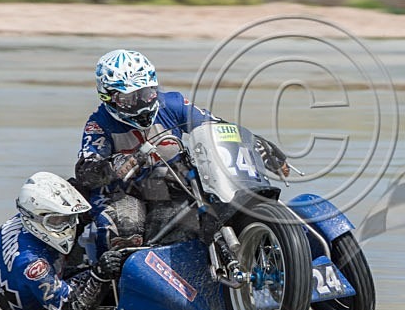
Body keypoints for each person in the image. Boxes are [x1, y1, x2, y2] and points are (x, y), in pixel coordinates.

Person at [74, 49, 289, 257]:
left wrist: (259, 145)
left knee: (209, 208)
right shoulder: (98, 124)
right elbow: (86, 171)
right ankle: (111, 281)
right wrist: (116, 166)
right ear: (108, 97)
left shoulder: (173, 103)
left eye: (147, 94)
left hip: (174, 183)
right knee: (126, 225)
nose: (140, 105)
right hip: (126, 192)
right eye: (129, 99)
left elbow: (216, 126)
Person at [0, 172, 128, 310]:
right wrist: (99, 275)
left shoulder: (25, 215)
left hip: (27, 276)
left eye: (69, 218)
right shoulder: (33, 266)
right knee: (115, 277)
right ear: (37, 218)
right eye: (58, 220)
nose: (68, 226)